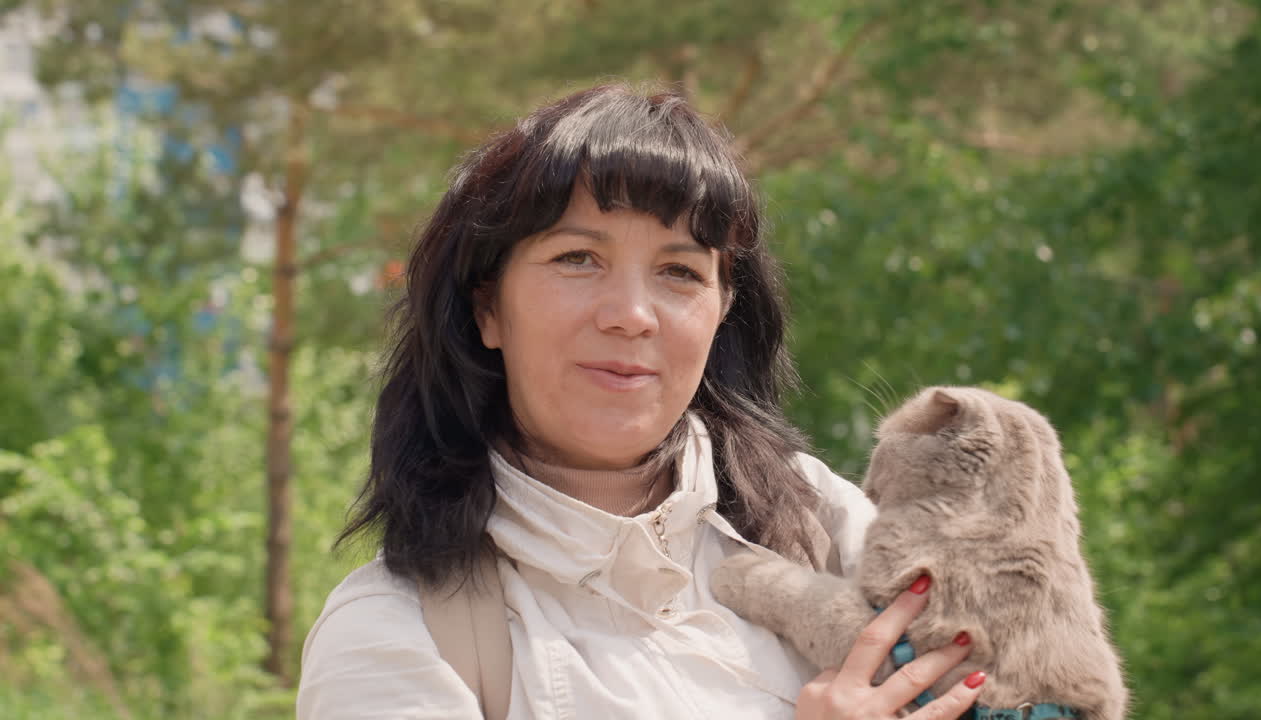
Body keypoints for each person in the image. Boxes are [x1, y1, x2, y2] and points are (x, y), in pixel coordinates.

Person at [296, 84, 987, 719]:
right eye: (577, 258)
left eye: (679, 272)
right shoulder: (395, 635)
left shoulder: (822, 525)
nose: (631, 314)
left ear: (722, 312)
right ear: (488, 310)